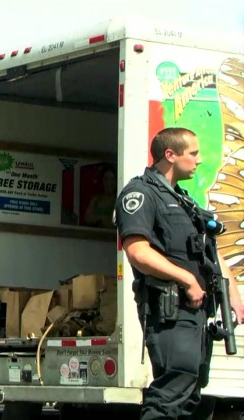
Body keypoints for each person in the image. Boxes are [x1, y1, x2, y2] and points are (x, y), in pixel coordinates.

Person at [116, 127, 244, 420]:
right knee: (171, 394)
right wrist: (186, 280)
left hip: (195, 313)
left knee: (191, 395)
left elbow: (209, 250)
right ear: (170, 155)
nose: (199, 160)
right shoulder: (141, 193)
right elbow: (137, 251)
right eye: (193, 153)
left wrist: (233, 294)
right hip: (170, 311)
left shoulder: (184, 201)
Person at [82, 164, 117, 228]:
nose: (108, 182)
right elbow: (87, 219)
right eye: (106, 178)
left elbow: (113, 223)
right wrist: (101, 219)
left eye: (112, 179)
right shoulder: (96, 199)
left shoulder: (118, 200)